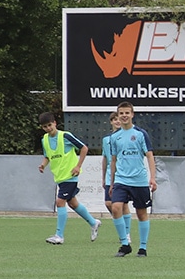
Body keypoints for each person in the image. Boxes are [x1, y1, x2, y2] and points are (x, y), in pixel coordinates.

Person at [37, 112, 100, 244]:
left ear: (55, 123)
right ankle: (93, 222)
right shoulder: (44, 140)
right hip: (60, 177)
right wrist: (43, 165)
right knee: (72, 203)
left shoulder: (65, 135)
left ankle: (59, 235)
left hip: (70, 175)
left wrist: (78, 166)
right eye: (45, 127)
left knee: (60, 202)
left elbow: (83, 148)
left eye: (50, 125)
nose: (48, 128)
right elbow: (48, 156)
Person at [106, 101, 157, 257]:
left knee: (141, 213)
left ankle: (142, 248)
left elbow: (149, 155)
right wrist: (112, 181)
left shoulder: (141, 134)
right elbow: (113, 160)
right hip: (121, 179)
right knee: (115, 208)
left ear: (132, 114)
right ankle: (124, 244)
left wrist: (153, 178)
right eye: (121, 113)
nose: (124, 116)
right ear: (118, 115)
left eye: (127, 113)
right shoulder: (114, 137)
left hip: (139, 180)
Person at [102, 109, 131, 239]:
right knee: (109, 203)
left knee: (122, 204)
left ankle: (126, 232)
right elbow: (105, 158)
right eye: (114, 119)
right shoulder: (106, 139)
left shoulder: (127, 136)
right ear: (111, 122)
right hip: (110, 175)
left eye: (118, 119)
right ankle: (121, 225)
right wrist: (103, 177)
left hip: (122, 174)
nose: (117, 121)